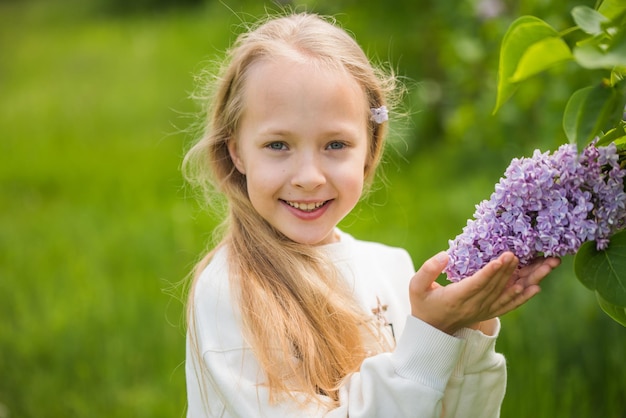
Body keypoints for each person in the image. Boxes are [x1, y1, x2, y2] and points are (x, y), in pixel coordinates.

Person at [182, 11, 560, 417]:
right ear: (236, 150)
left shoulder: (392, 269)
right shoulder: (232, 291)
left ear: (370, 146)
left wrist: (469, 327)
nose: (309, 177)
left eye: (335, 145)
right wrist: (430, 334)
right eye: (278, 145)